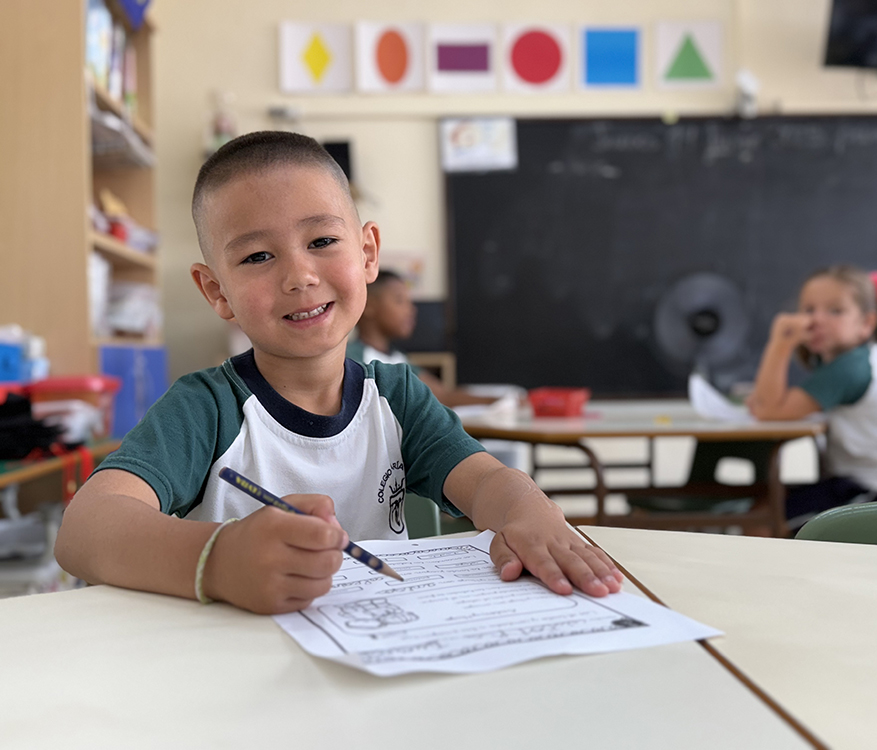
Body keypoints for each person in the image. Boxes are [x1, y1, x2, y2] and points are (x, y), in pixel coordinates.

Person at [54, 131, 622, 614]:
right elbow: (84, 529)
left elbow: (487, 482)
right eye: (257, 257)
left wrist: (529, 513)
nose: (299, 276)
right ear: (215, 291)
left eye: (323, 241)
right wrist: (219, 561)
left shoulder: (397, 397)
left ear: (368, 252)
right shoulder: (208, 408)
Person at [747, 265, 877, 529]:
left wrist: (781, 342)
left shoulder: (850, 369)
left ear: (866, 323)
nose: (816, 320)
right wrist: (766, 401)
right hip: (864, 484)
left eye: (835, 311)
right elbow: (767, 405)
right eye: (808, 310)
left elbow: (767, 410)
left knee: (762, 521)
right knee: (763, 507)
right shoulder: (847, 362)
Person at [348, 269, 502, 407]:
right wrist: (501, 401)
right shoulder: (352, 358)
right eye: (399, 300)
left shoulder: (399, 357)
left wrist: (502, 400)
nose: (412, 309)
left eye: (410, 302)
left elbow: (442, 393)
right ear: (368, 305)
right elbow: (443, 397)